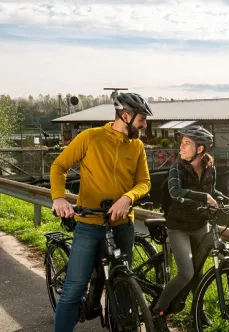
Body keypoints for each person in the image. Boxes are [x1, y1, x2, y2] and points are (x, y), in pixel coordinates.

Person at [50, 92, 153, 332]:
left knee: (124, 287)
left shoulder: (136, 146)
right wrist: (58, 198)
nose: (144, 124)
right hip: (89, 224)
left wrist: (127, 198)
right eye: (142, 119)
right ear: (125, 116)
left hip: (123, 226)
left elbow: (145, 182)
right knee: (74, 289)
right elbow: (59, 167)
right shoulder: (91, 137)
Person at [152, 125, 229, 331]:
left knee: (198, 273)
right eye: (181, 143)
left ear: (200, 149)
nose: (180, 147)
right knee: (186, 273)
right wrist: (203, 197)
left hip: (200, 224)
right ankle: (158, 310)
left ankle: (198, 313)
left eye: (186, 144)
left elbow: (213, 190)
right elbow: (175, 192)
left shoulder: (210, 167)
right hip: (178, 226)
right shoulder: (177, 168)